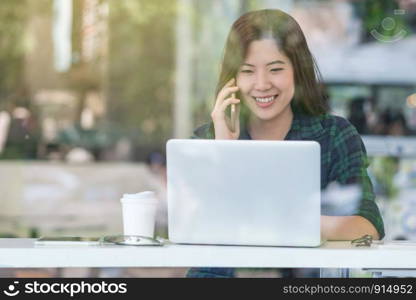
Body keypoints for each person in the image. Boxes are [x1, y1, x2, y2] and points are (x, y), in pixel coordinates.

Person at [187, 9, 384, 278]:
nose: (262, 84)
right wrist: (225, 151)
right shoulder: (207, 140)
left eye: (275, 69)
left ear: (297, 71)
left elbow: (367, 225)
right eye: (247, 71)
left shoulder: (334, 135)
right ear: (233, 79)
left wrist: (280, 223)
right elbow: (191, 227)